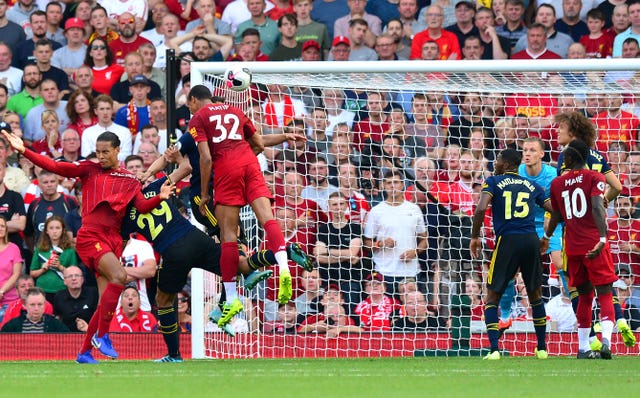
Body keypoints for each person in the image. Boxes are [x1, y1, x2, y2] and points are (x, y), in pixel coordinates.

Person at [0, 129, 174, 364]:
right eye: (98, 152)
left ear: (117, 150)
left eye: (105, 152)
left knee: (105, 303)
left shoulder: (131, 180)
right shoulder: (88, 170)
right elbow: (55, 166)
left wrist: (160, 197)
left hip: (112, 241)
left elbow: (142, 206)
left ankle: (84, 352)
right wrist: (24, 150)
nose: (100, 156)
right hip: (91, 236)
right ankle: (102, 335)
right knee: (120, 276)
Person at [189, 85, 293, 329]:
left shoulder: (198, 118)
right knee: (268, 219)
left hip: (227, 170)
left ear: (195, 100)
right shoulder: (236, 110)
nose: (189, 107)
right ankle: (284, 266)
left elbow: (205, 158)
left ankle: (232, 298)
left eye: (189, 103)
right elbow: (257, 142)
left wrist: (205, 194)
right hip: (250, 163)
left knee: (228, 236)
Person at [470, 148, 550, 360]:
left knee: (492, 295)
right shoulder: (532, 185)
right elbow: (554, 209)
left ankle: (494, 349)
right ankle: (541, 349)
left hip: (507, 241)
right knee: (535, 295)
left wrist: (474, 237)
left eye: (498, 160)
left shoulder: (494, 182)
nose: (496, 163)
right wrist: (547, 236)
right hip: (531, 240)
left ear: (505, 164)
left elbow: (480, 209)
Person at [543, 140, 619, 359]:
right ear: (586, 157)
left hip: (573, 247)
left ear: (568, 159)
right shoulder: (596, 178)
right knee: (604, 292)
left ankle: (583, 347)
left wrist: (547, 237)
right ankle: (606, 340)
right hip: (594, 244)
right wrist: (603, 238)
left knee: (584, 296)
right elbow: (597, 206)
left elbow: (556, 215)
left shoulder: (557, 183)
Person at [29, 216, 78, 303]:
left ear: (63, 230)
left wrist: (60, 267)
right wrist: (43, 269)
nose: (54, 231)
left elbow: (75, 274)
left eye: (58, 228)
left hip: (62, 289)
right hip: (42, 289)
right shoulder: (40, 249)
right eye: (51, 228)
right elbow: (32, 273)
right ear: (46, 231)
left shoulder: (69, 250)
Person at [0, 286, 69, 332]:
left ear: (44, 305)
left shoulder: (55, 324)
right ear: (25, 305)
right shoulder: (13, 325)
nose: (36, 308)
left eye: (40, 304)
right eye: (32, 305)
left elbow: (68, 340)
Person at [52, 265, 98, 332]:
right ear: (64, 281)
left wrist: (89, 329)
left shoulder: (93, 293)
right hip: (66, 337)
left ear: (82, 280)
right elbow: (57, 318)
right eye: (70, 276)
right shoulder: (59, 296)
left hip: (89, 334)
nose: (74, 278)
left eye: (77, 275)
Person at [0, 215, 22, 324]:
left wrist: (1, 291)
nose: (0, 228)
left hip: (9, 301)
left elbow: (16, 274)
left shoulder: (13, 248)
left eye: (3, 226)